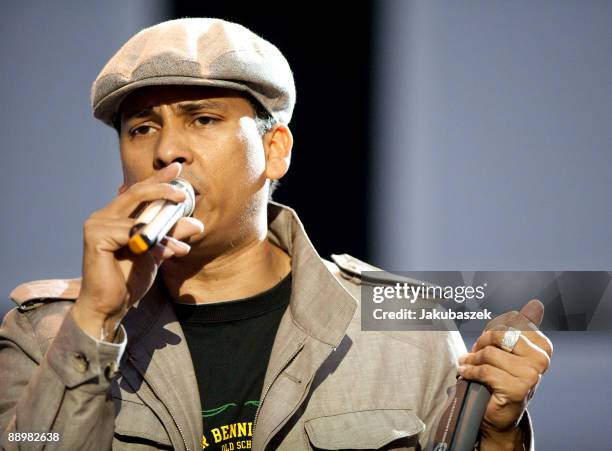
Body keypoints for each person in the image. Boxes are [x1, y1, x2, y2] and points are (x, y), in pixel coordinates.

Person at [0, 18, 552, 451]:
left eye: (202, 119)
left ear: (275, 150)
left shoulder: (405, 326)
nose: (166, 151)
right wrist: (94, 320)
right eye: (142, 128)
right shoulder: (45, 332)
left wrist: (500, 435)